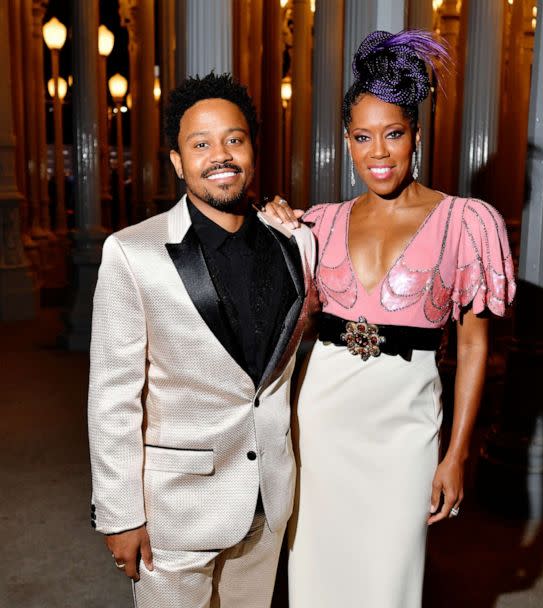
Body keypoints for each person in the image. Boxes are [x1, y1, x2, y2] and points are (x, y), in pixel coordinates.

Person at [264, 30, 516, 607]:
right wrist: (276, 237)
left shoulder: (465, 224)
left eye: (393, 134)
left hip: (405, 430)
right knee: (317, 581)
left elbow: (475, 348)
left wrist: (456, 454)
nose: (378, 153)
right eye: (362, 137)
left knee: (390, 584)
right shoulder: (319, 224)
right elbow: (291, 328)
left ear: (417, 136)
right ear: (347, 142)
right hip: (323, 422)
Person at [87, 72, 316, 608]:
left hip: (267, 500)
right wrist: (120, 514)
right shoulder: (132, 252)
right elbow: (112, 397)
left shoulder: (294, 243)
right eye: (201, 143)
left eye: (234, 139)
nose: (221, 154)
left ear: (253, 149)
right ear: (177, 160)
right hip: (174, 512)